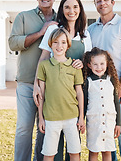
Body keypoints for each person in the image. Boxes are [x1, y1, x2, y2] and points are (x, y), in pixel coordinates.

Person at [34, 0, 92, 160]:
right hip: (53, 93)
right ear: (61, 10)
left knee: (73, 141)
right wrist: (36, 85)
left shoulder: (85, 35)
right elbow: (43, 57)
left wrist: (82, 63)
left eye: (75, 7)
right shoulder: (53, 29)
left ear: (80, 10)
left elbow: (89, 62)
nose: (71, 11)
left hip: (75, 91)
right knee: (51, 142)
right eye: (67, 7)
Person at [8, 0, 58, 161]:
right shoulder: (23, 17)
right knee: (24, 127)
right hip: (27, 82)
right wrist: (40, 33)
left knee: (45, 129)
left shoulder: (61, 19)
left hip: (52, 85)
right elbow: (13, 43)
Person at [87, 0, 121, 161]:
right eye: (98, 1)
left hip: (117, 86)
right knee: (106, 131)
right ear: (95, 5)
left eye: (106, 0)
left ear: (112, 2)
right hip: (96, 87)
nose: (102, 3)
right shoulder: (91, 29)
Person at [37, 28, 85, 161]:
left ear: (68, 45)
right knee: (49, 154)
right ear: (50, 44)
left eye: (63, 42)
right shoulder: (44, 66)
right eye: (56, 42)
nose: (59, 46)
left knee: (75, 153)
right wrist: (41, 118)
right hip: (51, 118)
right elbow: (41, 94)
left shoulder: (75, 66)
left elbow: (79, 93)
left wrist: (81, 117)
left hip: (72, 118)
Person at [82, 47, 121, 161]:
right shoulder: (87, 81)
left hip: (109, 121)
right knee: (94, 151)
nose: (99, 67)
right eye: (95, 64)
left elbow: (116, 103)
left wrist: (118, 123)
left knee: (107, 151)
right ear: (89, 65)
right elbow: (84, 103)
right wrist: (81, 120)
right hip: (94, 122)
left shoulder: (111, 80)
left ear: (107, 63)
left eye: (102, 64)